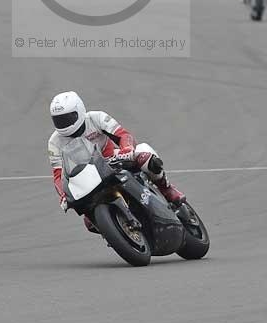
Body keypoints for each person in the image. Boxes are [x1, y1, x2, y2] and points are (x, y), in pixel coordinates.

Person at [48, 91, 185, 232]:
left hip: (111, 159)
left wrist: (127, 149)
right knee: (90, 223)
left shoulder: (96, 118)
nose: (63, 124)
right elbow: (58, 175)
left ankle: (167, 189)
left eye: (67, 118)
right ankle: (117, 231)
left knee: (145, 158)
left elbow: (123, 135)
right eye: (59, 120)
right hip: (86, 176)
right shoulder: (54, 142)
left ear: (79, 110)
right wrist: (63, 195)